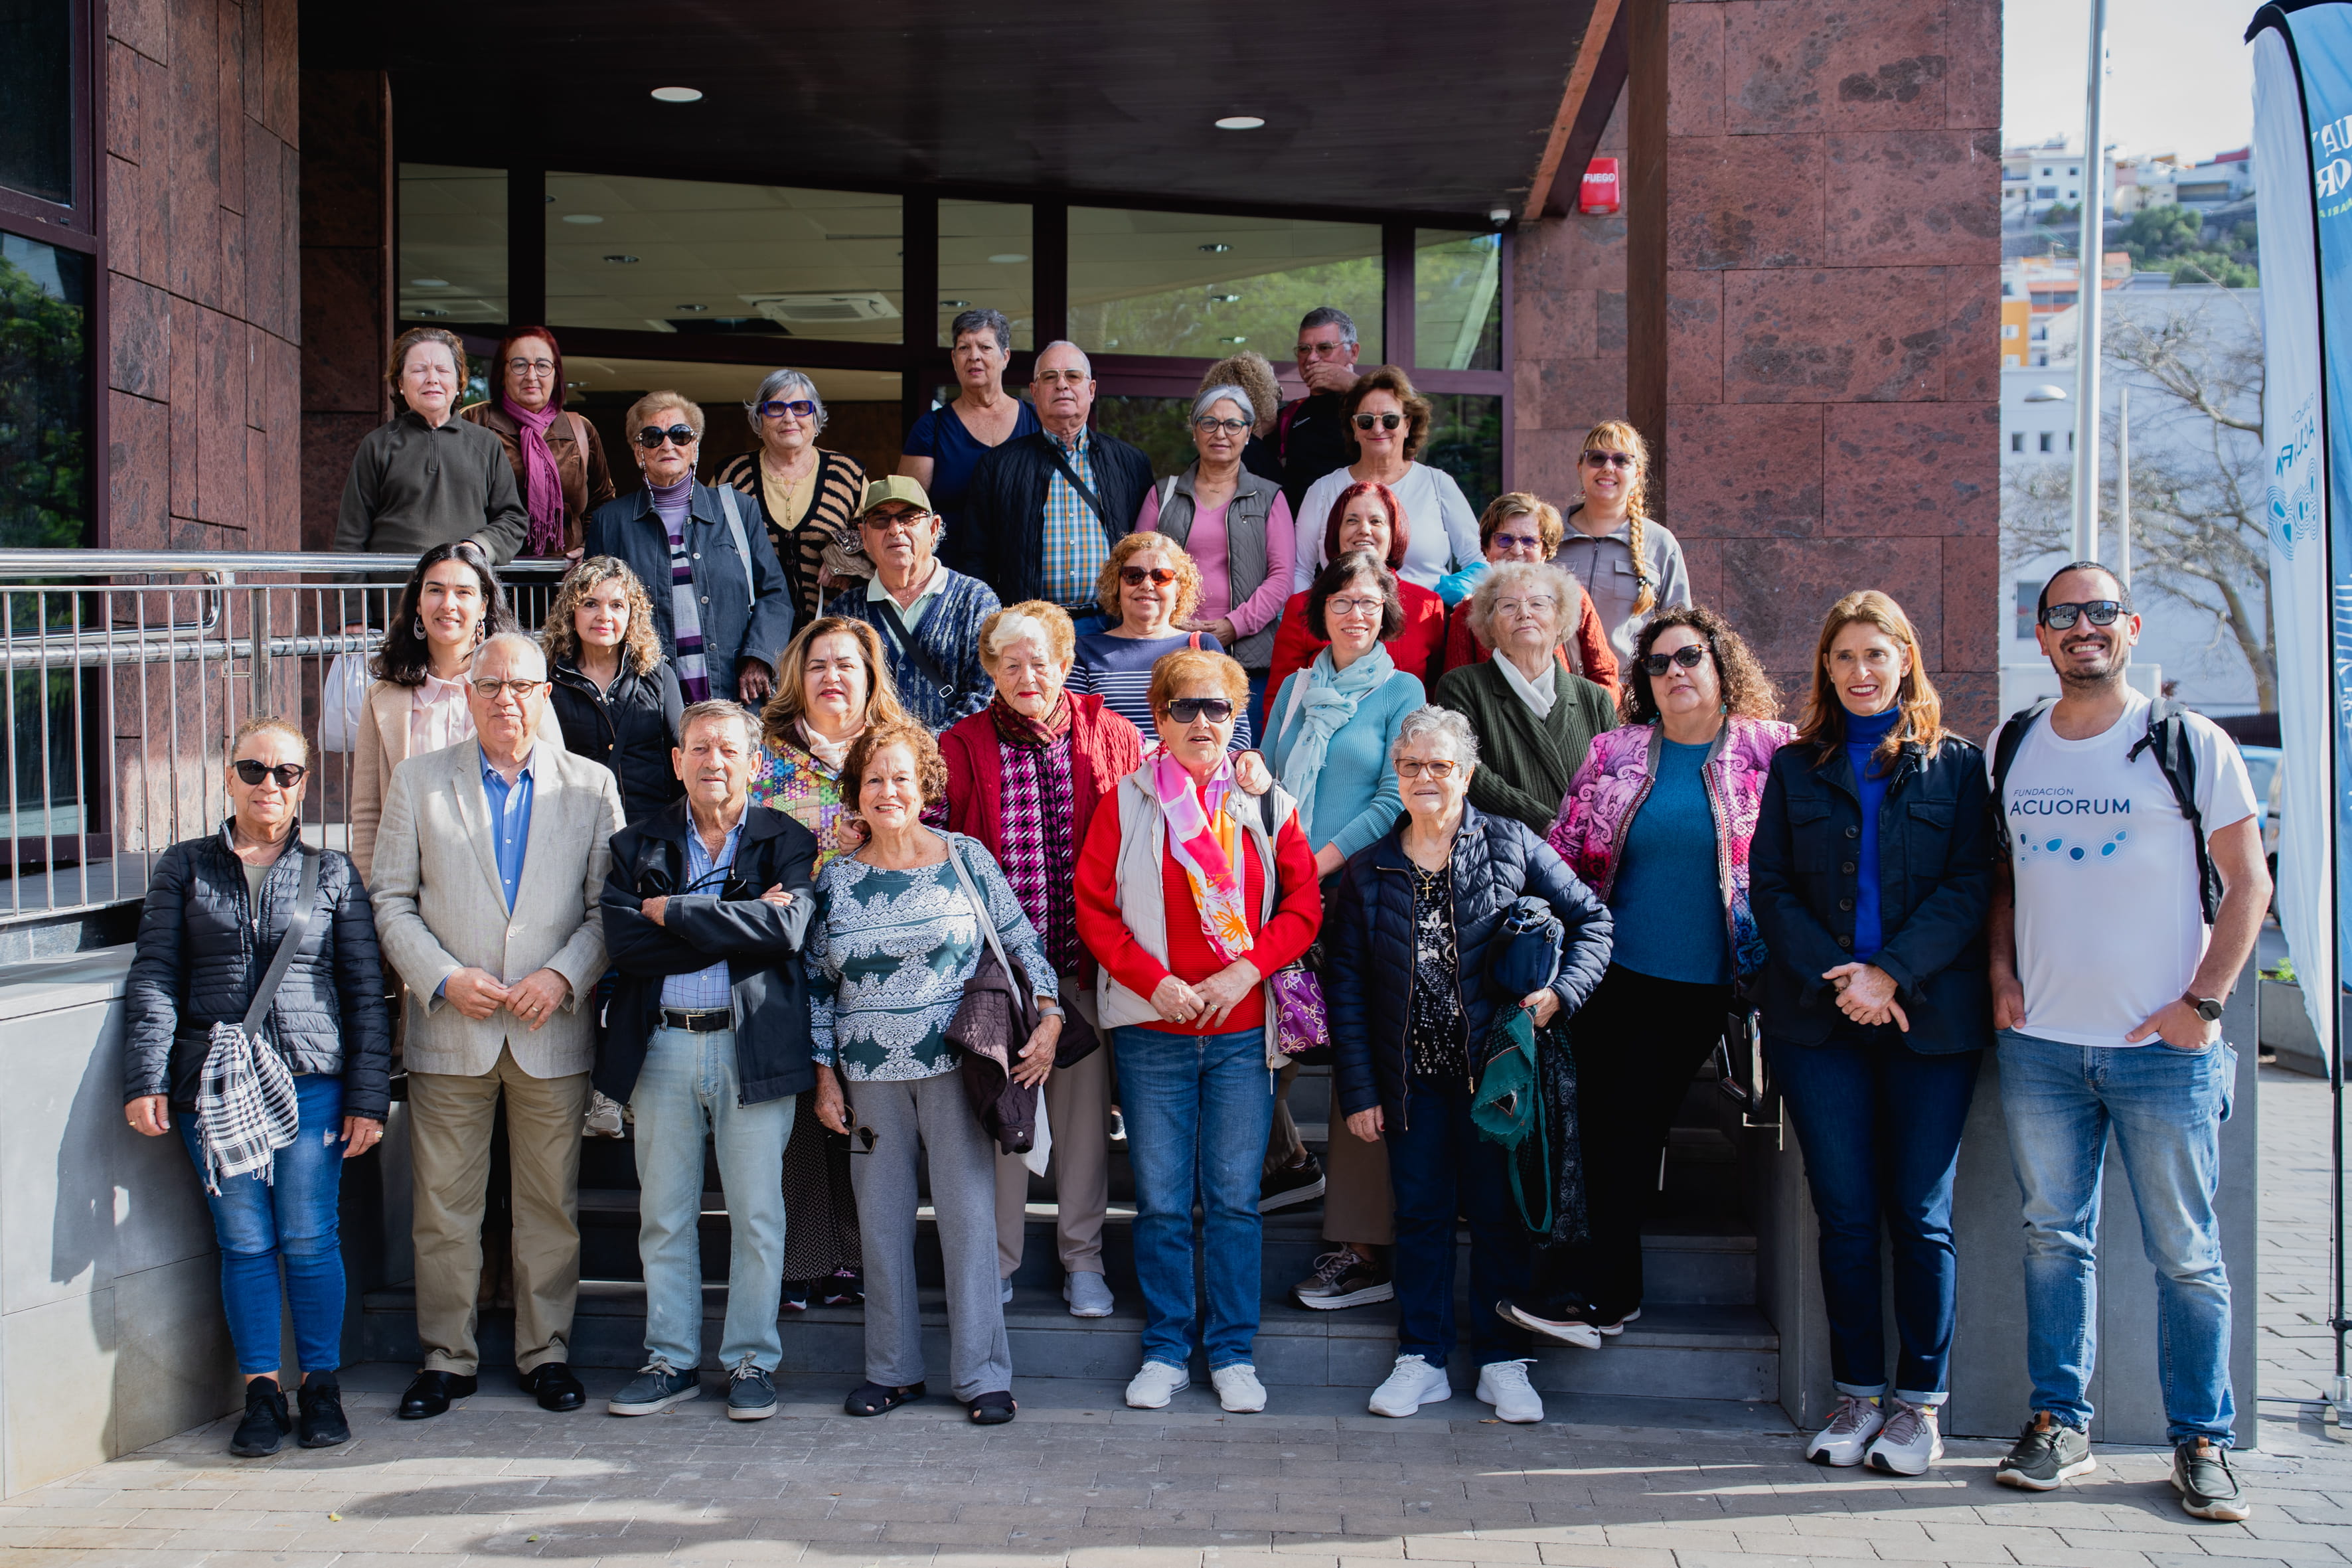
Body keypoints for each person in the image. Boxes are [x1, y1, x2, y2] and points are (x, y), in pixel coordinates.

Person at [1985, 562, 2266, 1522]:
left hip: (2163, 1053)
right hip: (2041, 1047)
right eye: (2062, 615)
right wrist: (1999, 975)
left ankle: (2201, 1440)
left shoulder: (2185, 741)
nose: (2081, 628)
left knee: (2185, 1253)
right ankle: (2058, 1424)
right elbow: (2000, 879)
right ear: (2041, 633)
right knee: (2051, 1240)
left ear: (2129, 627)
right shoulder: (2012, 743)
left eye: (2098, 611)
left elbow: (2248, 884)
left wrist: (2205, 1002)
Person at [1750, 591, 1993, 1476]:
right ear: (1824, 667)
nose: (1859, 671)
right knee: (1845, 1214)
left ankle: (1916, 1405)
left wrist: (1889, 971)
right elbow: (1767, 885)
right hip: (1821, 1022)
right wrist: (1843, 978)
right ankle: (1855, 1393)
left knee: (1919, 1216)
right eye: (1842, 656)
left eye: (1874, 654)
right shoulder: (1792, 767)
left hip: (1927, 1022)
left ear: (1903, 659)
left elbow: (1970, 883)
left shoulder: (1954, 766)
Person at [1328, 706, 1614, 1423]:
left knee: (1498, 1217)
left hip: (1497, 1080)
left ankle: (1501, 1361)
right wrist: (1360, 1089)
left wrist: (1561, 992)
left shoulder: (1512, 843)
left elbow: (1594, 922)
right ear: (1397, 773)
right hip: (1410, 1080)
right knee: (1420, 1215)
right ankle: (1421, 1357)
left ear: (1468, 773)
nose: (1426, 777)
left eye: (1441, 765)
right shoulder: (1369, 871)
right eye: (1413, 766)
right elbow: (1348, 991)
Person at [368, 633, 625, 1422]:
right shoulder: (418, 782)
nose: (505, 699)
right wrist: (442, 976)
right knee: (444, 1207)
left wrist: (564, 975)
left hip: (550, 1029)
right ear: (468, 694)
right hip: (453, 1027)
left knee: (549, 1205)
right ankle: (447, 1358)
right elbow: (389, 899)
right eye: (490, 686)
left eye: (520, 685)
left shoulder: (592, 786)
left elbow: (607, 908)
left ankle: (545, 1352)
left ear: (546, 693)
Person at [1521, 607, 1792, 1346]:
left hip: (1705, 979)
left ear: (1720, 664)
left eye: (1690, 657)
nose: (1675, 672)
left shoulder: (1772, 751)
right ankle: (1605, 1287)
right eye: (1659, 663)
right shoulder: (1615, 751)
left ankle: (1599, 1294)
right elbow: (1563, 853)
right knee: (1600, 1127)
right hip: (1611, 970)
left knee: (1629, 1124)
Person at [123, 716, 391, 1457]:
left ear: (305, 782)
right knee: (244, 1240)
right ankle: (263, 1393)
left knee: (309, 1236)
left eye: (286, 773)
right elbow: (155, 978)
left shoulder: (331, 872)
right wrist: (145, 1076)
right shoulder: (183, 867)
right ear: (228, 775)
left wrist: (370, 1095)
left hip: (310, 1081)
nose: (269, 785)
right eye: (254, 769)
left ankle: (323, 1387)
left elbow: (365, 990)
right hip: (213, 1086)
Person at [1075, 648, 1321, 1415]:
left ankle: (1234, 1352)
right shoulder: (1127, 800)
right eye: (1186, 707)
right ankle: (1166, 1348)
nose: (1202, 721)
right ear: (1160, 717)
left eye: (1217, 708)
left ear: (1235, 718)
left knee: (1235, 1199)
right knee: (1160, 1200)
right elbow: (1093, 907)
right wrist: (1158, 983)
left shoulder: (1265, 802)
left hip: (1245, 1031)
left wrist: (1244, 971)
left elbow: (1303, 907)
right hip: (1156, 1029)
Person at [807, 719, 1057, 1425]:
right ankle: (893, 1371)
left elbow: (1023, 943)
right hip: (868, 1078)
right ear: (857, 791)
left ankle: (982, 1376)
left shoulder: (966, 857)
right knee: (881, 1227)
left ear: (926, 788)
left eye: (901, 778)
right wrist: (825, 1076)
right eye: (874, 779)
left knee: (969, 1221)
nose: (888, 791)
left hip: (956, 1069)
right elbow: (818, 986)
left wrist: (1052, 1014)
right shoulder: (837, 877)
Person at [596, 702, 820, 1423]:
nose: (713, 761)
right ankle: (670, 1359)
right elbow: (626, 946)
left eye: (728, 749)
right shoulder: (637, 842)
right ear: (677, 761)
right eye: (699, 748)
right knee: (664, 1215)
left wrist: (675, 913)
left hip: (750, 1047)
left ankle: (753, 1360)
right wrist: (737, 921)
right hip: (662, 1045)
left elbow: (785, 930)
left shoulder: (787, 838)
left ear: (756, 764)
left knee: (758, 1216)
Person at [941, 602, 1144, 1320]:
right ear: (992, 670)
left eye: (1042, 661)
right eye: (1011, 663)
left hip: (1084, 968)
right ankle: (996, 1263)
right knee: (1002, 1116)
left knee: (1084, 1126)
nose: (1028, 676)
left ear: (1065, 664)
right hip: (997, 978)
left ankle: (1082, 1259)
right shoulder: (960, 745)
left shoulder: (1110, 735)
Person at [1258, 549, 1428, 1310]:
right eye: (1341, 599)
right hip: (1281, 896)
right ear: (1319, 609)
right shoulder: (1294, 688)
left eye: (1368, 601)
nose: (1355, 612)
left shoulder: (1402, 690)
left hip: (1359, 895)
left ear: (1385, 612)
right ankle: (1282, 1163)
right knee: (1260, 1043)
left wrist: (1316, 861)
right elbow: (1260, 775)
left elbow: (1397, 798)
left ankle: (1360, 1246)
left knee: (1358, 1060)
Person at [751, 615, 913, 1311]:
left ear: (870, 676)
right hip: (786, 959)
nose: (832, 678)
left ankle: (858, 1255)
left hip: (875, 960)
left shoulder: (894, 750)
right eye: (818, 665)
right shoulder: (766, 755)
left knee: (864, 1113)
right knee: (798, 1116)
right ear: (798, 674)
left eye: (847, 664)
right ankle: (802, 1261)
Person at [348, 542, 564, 884]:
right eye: (435, 590)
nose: (448, 604)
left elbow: (556, 784)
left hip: (507, 881)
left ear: (483, 607)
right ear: (418, 603)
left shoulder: (522, 686)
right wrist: (370, 901)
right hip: (413, 886)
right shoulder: (382, 698)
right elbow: (367, 815)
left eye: (463, 592)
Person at [583, 392, 795, 706]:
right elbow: (594, 609)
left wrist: (759, 658)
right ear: (638, 452)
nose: (668, 445)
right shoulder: (610, 523)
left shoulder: (738, 510)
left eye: (680, 435)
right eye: (652, 437)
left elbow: (775, 595)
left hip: (734, 691)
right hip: (646, 698)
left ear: (694, 448)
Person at [1135, 384, 1295, 722]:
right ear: (1194, 430)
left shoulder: (1269, 498)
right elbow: (1137, 568)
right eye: (1209, 423)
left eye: (1233, 425)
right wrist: (1173, 623)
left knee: (1242, 758)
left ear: (1248, 433)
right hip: (1171, 646)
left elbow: (1281, 579)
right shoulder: (1163, 494)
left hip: (1247, 655)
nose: (1221, 433)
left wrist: (1233, 626)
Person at [1433, 562, 1620, 835]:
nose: (1524, 613)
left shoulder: (1595, 698)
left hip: (1586, 854)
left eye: (1538, 604)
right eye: (1508, 606)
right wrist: (1545, 824)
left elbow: (1616, 786)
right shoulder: (1462, 686)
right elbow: (1464, 768)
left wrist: (1579, 835)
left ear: (1560, 619)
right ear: (1490, 625)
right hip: (1500, 854)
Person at [965, 341, 1153, 611]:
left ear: (1091, 390)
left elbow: (1149, 549)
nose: (1062, 385)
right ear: (1034, 392)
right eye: (1049, 377)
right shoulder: (997, 466)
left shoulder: (1132, 463)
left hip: (1113, 627)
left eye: (1073, 376)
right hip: (1032, 629)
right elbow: (976, 558)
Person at [336, 326, 528, 562]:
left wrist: (479, 547)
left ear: (459, 382)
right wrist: (357, 601)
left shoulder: (486, 444)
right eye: (419, 370)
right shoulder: (378, 445)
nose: (432, 379)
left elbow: (513, 519)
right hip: (394, 594)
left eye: (442, 369)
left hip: (464, 593)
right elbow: (350, 539)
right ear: (400, 383)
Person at [823, 476, 1001, 729]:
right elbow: (830, 697)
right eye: (881, 520)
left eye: (909, 517)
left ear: (933, 529)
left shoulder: (976, 601)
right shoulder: (844, 613)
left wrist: (925, 750)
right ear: (864, 536)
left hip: (955, 761)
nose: (895, 529)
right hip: (868, 763)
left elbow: (987, 693)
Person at [1291, 366, 1479, 594]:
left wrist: (1449, 597)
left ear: (1408, 424)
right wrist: (1311, 619)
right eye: (1366, 421)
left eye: (1390, 420)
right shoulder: (1323, 489)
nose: (1378, 428)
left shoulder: (1438, 485)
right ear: (1354, 428)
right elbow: (1299, 570)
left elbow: (1478, 560)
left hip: (1427, 624)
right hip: (1345, 623)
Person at [1069, 532, 1253, 748]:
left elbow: (1236, 733)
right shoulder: (1085, 650)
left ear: (1179, 590)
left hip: (1189, 780)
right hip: (1113, 779)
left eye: (1161, 576)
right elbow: (1076, 733)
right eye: (1133, 575)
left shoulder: (1202, 646)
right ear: (1116, 586)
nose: (1147, 585)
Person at [1266, 481, 1447, 699]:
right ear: (1336, 532)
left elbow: (1435, 692)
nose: (1364, 530)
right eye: (1352, 521)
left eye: (1376, 521)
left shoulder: (1427, 607)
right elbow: (1281, 699)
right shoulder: (1301, 606)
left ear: (1394, 534)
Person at [716, 369, 872, 621]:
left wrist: (843, 557)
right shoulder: (731, 476)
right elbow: (706, 542)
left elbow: (877, 533)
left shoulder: (847, 474)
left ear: (815, 417)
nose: (789, 418)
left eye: (800, 407)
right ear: (760, 419)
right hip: (753, 634)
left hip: (834, 629)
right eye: (776, 408)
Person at [900, 308, 1042, 580]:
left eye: (985, 347)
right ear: (954, 359)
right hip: (950, 580)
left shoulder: (1037, 421)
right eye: (964, 347)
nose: (974, 356)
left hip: (1026, 579)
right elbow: (906, 510)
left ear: (1005, 357)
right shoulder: (932, 428)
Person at [542, 557, 684, 824]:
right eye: (590, 604)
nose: (604, 616)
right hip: (578, 829)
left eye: (617, 605)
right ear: (571, 611)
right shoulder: (549, 679)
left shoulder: (658, 675)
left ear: (632, 614)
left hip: (652, 832)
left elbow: (684, 750)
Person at [459, 326, 615, 559]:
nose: (532, 376)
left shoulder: (580, 429)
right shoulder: (473, 421)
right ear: (502, 373)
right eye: (520, 365)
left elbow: (602, 503)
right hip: (490, 572)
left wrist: (588, 547)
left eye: (542, 366)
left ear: (556, 374)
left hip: (564, 578)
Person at [1439, 494, 1618, 694]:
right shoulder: (1468, 612)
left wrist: (1588, 722)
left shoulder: (1574, 600)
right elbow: (1457, 689)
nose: (1516, 550)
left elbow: (1605, 675)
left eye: (1529, 540)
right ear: (1487, 549)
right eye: (1504, 539)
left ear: (1545, 551)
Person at [1551, 420, 1691, 664]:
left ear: (1637, 474)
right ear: (1580, 468)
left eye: (1621, 460)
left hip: (1627, 693)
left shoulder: (1660, 544)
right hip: (1554, 691)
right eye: (1596, 458)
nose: (1608, 467)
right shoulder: (1550, 536)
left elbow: (1679, 633)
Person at [1275, 306, 1365, 517]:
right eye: (1304, 349)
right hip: (1301, 539)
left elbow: (1406, 419)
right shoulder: (1291, 413)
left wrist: (1354, 385)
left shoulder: (1370, 405)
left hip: (1361, 534)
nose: (1312, 358)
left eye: (1325, 348)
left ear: (1353, 353)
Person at [1197, 351, 1287, 490]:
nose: (1279, 403)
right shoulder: (1252, 456)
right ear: (1263, 399)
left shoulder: (1214, 451)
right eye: (1277, 393)